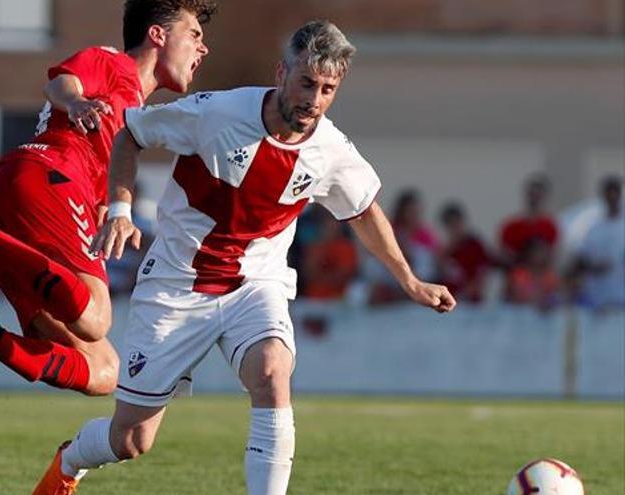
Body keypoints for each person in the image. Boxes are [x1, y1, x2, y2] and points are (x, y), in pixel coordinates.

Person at [31, 20, 456, 495]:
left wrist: (409, 280)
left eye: (328, 89)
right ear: (282, 73)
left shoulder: (331, 150)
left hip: (256, 286)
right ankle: (69, 462)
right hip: (176, 284)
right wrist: (122, 210)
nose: (314, 99)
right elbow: (131, 133)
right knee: (130, 439)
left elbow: (364, 211)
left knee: (273, 371)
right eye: (306, 83)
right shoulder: (218, 113)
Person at [0, 0, 216, 397]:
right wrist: (76, 101)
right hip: (45, 175)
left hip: (20, 195)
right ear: (157, 35)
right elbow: (60, 83)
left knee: (103, 371)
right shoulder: (114, 64)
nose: (203, 49)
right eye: (194, 35)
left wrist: (116, 217)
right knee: (96, 319)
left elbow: (100, 190)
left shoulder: (135, 110)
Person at [571, 176, 624, 310]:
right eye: (608, 192)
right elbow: (581, 261)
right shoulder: (593, 228)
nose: (612, 196)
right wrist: (594, 266)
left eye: (615, 192)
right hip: (597, 300)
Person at [437, 201, 492, 304]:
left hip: (471, 304)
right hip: (449, 303)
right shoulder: (446, 250)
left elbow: (482, 275)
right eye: (450, 225)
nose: (455, 228)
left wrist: (465, 293)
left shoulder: (475, 246)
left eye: (456, 223)